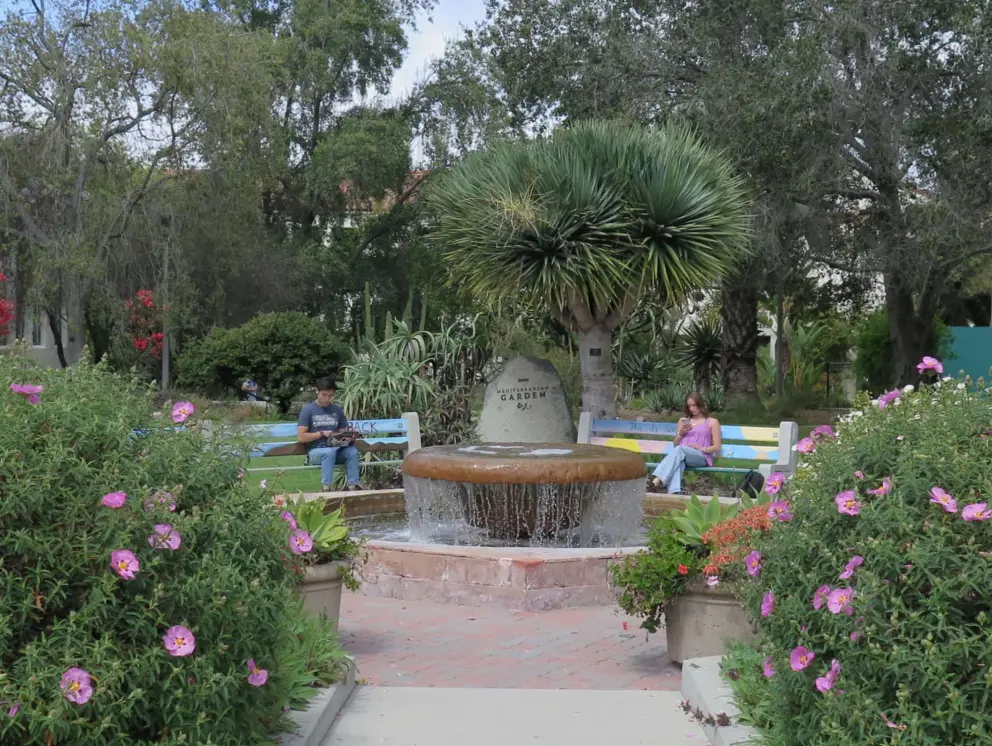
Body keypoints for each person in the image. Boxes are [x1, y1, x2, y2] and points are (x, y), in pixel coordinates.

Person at [297, 377, 363, 491]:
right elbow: (301, 437)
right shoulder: (308, 410)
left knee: (352, 452)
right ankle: (326, 488)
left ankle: (353, 486)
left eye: (330, 395)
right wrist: (321, 433)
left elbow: (343, 432)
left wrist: (349, 438)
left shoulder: (337, 410)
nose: (327, 399)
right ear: (317, 391)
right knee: (328, 453)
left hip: (335, 449)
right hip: (316, 451)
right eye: (324, 395)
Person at [649, 392, 722, 494]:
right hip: (682, 455)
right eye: (689, 406)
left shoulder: (712, 422)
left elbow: (717, 447)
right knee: (679, 461)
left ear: (700, 404)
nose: (692, 408)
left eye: (694, 405)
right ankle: (674, 493)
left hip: (701, 456)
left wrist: (702, 448)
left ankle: (656, 480)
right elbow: (675, 444)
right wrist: (681, 433)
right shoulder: (683, 421)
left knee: (680, 450)